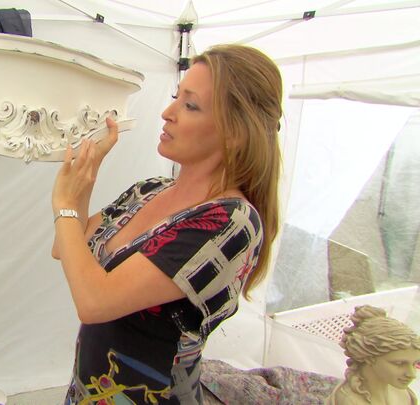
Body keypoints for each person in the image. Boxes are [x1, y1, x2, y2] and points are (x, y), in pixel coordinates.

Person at [51, 44, 283, 404]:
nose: (167, 113)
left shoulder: (230, 222)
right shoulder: (149, 190)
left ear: (235, 132)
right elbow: (66, 246)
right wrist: (87, 173)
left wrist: (66, 203)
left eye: (190, 105)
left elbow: (93, 301)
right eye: (176, 97)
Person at [327, 305, 420, 405]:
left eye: (415, 364)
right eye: (399, 363)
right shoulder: (349, 401)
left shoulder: (403, 393)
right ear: (370, 358)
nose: (412, 374)